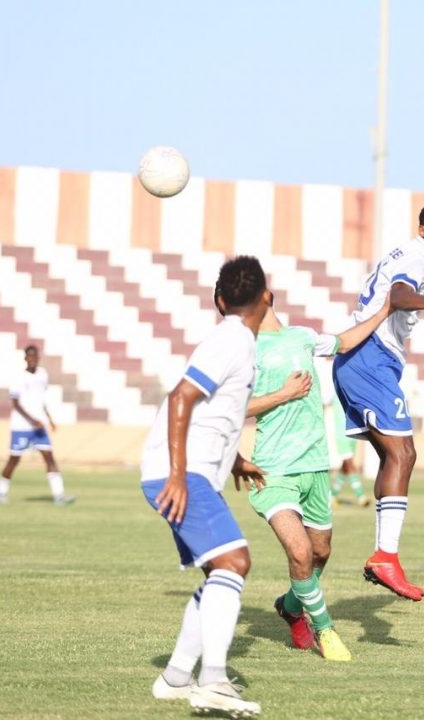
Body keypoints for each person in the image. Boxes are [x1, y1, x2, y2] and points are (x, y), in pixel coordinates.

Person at [142, 256, 271, 717]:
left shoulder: (236, 342)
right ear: (267, 297)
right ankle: (213, 680)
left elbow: (214, 412)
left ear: (219, 300)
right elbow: (181, 397)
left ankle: (176, 678)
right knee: (235, 562)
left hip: (190, 470)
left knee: (221, 571)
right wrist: (178, 475)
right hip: (181, 472)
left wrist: (235, 460)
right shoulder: (232, 340)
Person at [245, 298, 392, 661]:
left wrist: (385, 310)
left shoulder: (303, 337)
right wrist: (283, 394)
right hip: (272, 470)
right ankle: (325, 630)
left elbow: (344, 342)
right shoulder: (244, 348)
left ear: (266, 295)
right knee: (299, 552)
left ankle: (291, 607)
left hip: (314, 466)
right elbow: (231, 407)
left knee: (319, 553)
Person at [333, 199, 424, 601]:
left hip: (364, 359)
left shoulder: (417, 257)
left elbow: (406, 281)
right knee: (403, 455)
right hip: (369, 357)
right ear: (423, 229)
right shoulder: (418, 259)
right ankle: (385, 557)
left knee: (393, 457)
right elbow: (400, 293)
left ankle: (381, 557)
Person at [0, 345, 74, 506]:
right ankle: (1, 493)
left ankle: (59, 496)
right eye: (29, 356)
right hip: (21, 426)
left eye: (35, 356)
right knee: (14, 460)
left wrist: (49, 419)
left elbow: (40, 400)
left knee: (49, 457)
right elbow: (15, 404)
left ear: (38, 358)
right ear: (25, 358)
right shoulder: (18, 377)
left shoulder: (43, 374)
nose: (32, 359)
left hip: (39, 427)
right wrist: (32, 420)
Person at [328, 395, 370, 508]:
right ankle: (361, 496)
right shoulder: (336, 394)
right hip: (342, 436)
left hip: (352, 435)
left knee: (345, 467)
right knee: (350, 464)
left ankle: (332, 496)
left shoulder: (352, 393)